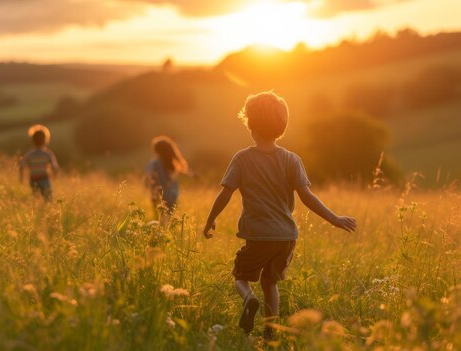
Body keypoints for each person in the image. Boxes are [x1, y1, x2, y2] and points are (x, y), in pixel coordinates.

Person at [202, 92, 356, 340]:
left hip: (258, 235)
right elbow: (308, 197)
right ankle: (271, 333)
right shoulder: (292, 160)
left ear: (251, 125)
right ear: (281, 126)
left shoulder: (242, 159)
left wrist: (210, 219)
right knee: (270, 282)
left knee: (241, 277)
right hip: (286, 237)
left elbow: (225, 194)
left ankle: (249, 299)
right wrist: (335, 219)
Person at [145, 136, 190, 223]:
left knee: (158, 221)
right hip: (172, 197)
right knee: (169, 222)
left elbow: (149, 177)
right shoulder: (171, 164)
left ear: (156, 150)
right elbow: (173, 181)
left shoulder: (153, 163)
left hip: (157, 196)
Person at [19, 124, 59, 202]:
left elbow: (21, 165)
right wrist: (55, 176)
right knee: (48, 200)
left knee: (36, 200)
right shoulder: (48, 154)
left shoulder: (29, 154)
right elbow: (55, 167)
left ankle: (37, 212)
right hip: (44, 179)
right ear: (46, 140)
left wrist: (21, 178)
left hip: (33, 179)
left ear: (32, 140)